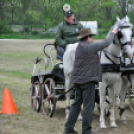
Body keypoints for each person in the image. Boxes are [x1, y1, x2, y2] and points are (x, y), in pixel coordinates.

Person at [63, 25, 119, 134]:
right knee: (88, 106)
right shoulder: (89, 46)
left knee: (75, 104)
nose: (92, 39)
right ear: (88, 37)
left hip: (78, 80)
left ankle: (68, 128)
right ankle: (86, 130)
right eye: (91, 37)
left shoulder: (79, 46)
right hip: (88, 81)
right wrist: (113, 32)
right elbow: (106, 42)